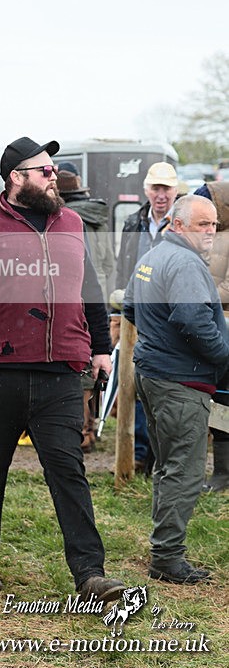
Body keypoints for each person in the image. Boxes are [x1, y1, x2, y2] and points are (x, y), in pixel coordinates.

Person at [0, 136, 125, 603]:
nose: (53, 175)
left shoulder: (74, 223)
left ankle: (90, 573)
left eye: (54, 168)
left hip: (61, 369)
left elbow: (91, 290)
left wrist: (100, 348)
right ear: (15, 177)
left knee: (68, 470)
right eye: (44, 169)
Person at [123, 195, 229, 584]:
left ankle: (163, 547)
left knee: (168, 466)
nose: (210, 232)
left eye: (214, 225)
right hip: (181, 380)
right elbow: (191, 318)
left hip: (154, 374)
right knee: (183, 471)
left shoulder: (153, 255)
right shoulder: (184, 263)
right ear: (178, 224)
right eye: (202, 224)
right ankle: (168, 558)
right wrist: (223, 356)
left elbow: (131, 308)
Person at [112, 162, 179, 472]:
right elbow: (123, 266)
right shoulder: (133, 222)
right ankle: (139, 453)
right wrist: (119, 309)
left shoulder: (184, 222)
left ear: (175, 191)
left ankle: (162, 454)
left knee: (167, 387)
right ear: (146, 190)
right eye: (156, 188)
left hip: (174, 314)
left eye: (166, 188)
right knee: (136, 383)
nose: (160, 195)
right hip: (138, 315)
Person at [57, 162, 115, 452]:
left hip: (76, 299)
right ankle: (92, 426)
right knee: (98, 365)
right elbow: (108, 263)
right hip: (100, 299)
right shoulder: (100, 218)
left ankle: (82, 432)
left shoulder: (65, 220)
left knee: (80, 368)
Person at [194, 181, 229, 492]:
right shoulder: (212, 238)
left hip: (226, 326)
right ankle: (221, 472)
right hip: (215, 327)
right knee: (220, 401)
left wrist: (196, 294)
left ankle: (223, 474)